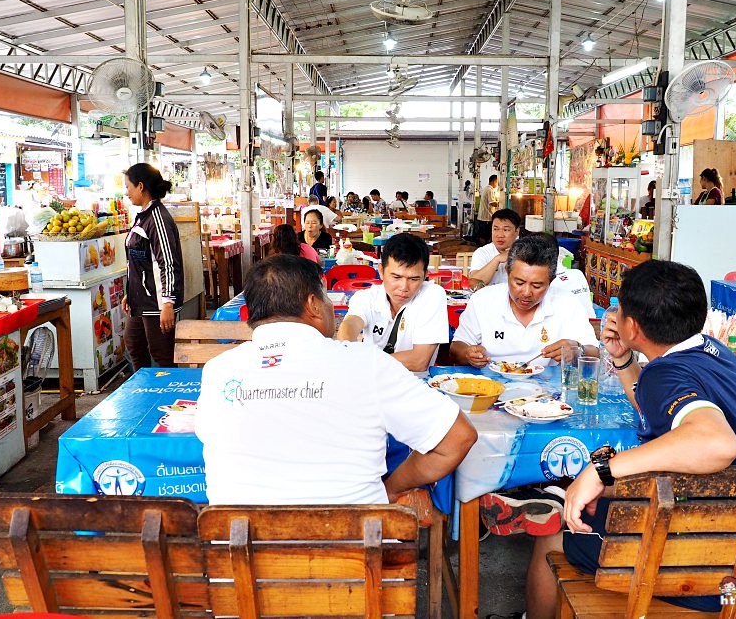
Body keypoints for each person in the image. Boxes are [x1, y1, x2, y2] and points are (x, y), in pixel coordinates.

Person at [525, 260, 736, 619]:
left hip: (711, 564)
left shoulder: (665, 374)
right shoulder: (712, 350)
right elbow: (661, 407)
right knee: (602, 496)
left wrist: (600, 471)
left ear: (632, 325)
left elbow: (717, 443)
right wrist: (623, 360)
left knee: (553, 534)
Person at [195, 254, 477, 505]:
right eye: (327, 298)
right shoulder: (367, 362)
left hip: (242, 558)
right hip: (353, 555)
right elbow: (458, 438)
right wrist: (391, 488)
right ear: (313, 305)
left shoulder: (218, 371)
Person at [450, 235, 598, 367]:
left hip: (548, 391)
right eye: (519, 283)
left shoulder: (567, 303)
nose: (526, 293)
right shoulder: (483, 300)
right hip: (491, 385)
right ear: (508, 272)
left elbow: (594, 352)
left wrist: (577, 350)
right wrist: (468, 354)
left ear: (551, 281)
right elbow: (456, 348)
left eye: (537, 285)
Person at [338, 233, 449, 375]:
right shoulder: (366, 297)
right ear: (381, 270)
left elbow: (419, 361)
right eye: (396, 277)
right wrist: (347, 347)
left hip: (415, 384)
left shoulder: (433, 295)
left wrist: (365, 362)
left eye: (414, 279)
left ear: (425, 275)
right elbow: (350, 324)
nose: (404, 287)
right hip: (373, 380)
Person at [121, 163, 185, 370]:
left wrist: (167, 303)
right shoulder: (144, 216)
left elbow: (167, 262)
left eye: (128, 187)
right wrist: (130, 291)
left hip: (157, 303)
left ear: (140, 186)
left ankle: (167, 398)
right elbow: (138, 261)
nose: (126, 192)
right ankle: (142, 395)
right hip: (140, 301)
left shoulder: (157, 219)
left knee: (162, 355)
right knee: (134, 347)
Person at [469, 209, 522, 288]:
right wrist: (497, 260)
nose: (500, 235)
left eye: (506, 230)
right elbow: (474, 282)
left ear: (517, 231)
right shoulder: (482, 252)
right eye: (496, 229)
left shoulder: (525, 252)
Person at [476, 174, 500, 242]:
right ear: (494, 181)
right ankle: (484, 250)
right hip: (486, 218)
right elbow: (492, 203)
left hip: (483, 217)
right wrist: (501, 203)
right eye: (497, 182)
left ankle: (483, 249)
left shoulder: (486, 188)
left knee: (483, 235)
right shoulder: (490, 190)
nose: (497, 184)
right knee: (485, 236)